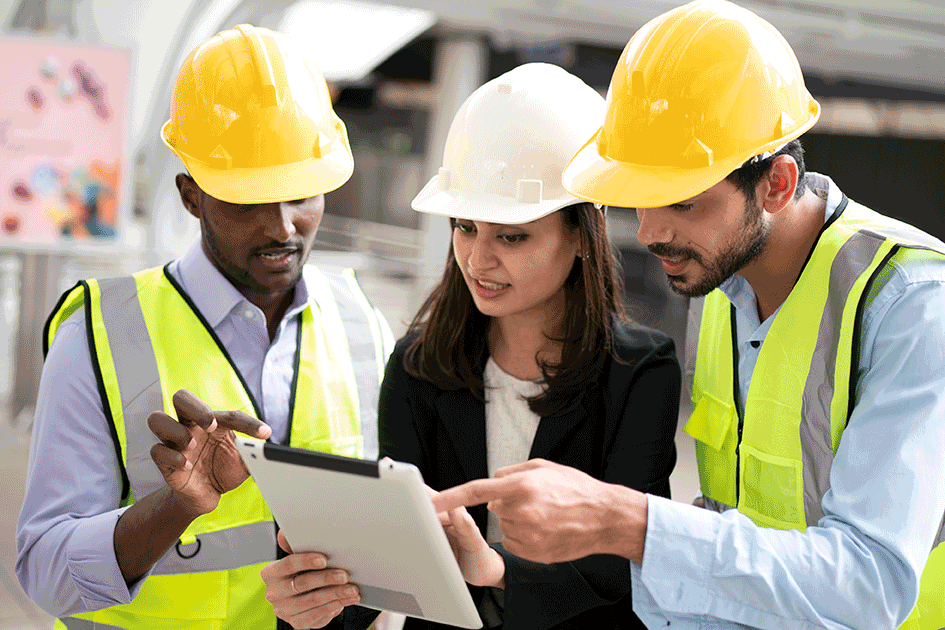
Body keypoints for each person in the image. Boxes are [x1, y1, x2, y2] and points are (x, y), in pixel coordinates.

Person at [432, 2, 945, 630]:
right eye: (638, 197)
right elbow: (735, 528)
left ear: (777, 184)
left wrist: (627, 522)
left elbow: (872, 584)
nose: (650, 232)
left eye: (681, 202)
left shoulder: (912, 305)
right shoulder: (720, 280)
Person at [258, 63, 682, 630]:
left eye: (511, 236)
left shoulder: (640, 372)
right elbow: (397, 561)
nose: (479, 260)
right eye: (464, 227)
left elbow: (631, 566)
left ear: (585, 232)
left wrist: (497, 570)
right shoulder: (419, 366)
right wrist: (320, 601)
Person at [16, 24, 392, 630]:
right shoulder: (100, 333)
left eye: (300, 193)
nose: (282, 227)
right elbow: (46, 572)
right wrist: (176, 507)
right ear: (191, 196)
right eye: (249, 199)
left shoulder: (362, 323)